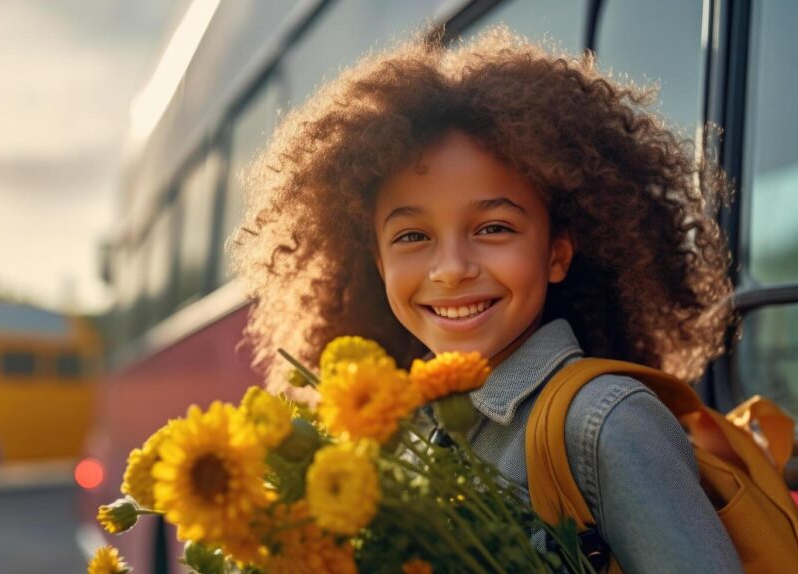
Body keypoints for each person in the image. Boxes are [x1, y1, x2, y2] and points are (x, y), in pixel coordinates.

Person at [230, 26, 742, 573]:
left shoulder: (609, 424)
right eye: (412, 237)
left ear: (557, 253)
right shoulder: (398, 437)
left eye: (494, 227)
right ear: (378, 265)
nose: (451, 269)